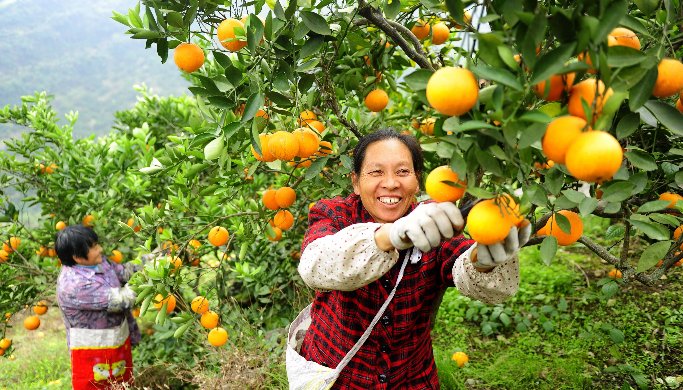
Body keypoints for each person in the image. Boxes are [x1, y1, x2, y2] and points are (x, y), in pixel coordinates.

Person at [296, 129, 531, 388]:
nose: (391, 183)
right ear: (355, 182)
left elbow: (462, 262)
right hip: (336, 375)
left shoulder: (433, 221)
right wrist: (391, 235)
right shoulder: (334, 213)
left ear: (417, 181)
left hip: (410, 377)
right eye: (376, 172)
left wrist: (484, 261)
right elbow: (315, 264)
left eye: (402, 172)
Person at [55, 224, 140, 389]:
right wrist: (151, 279)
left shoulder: (98, 262)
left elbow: (123, 272)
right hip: (92, 350)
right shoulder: (74, 285)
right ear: (77, 257)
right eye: (94, 247)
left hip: (116, 341)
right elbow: (123, 300)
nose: (100, 249)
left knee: (123, 384)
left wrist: (155, 260)